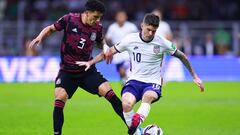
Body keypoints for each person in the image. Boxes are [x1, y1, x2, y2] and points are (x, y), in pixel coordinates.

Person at [76, 13, 205, 135]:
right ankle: (138, 131)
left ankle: (139, 118)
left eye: (154, 31)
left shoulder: (162, 42)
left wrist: (195, 76)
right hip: (134, 81)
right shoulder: (130, 39)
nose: (150, 33)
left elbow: (182, 56)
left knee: (148, 96)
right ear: (142, 26)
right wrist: (91, 62)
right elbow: (109, 52)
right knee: (126, 103)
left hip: (153, 82)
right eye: (148, 29)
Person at [29, 0, 126, 135]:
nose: (97, 20)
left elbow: (100, 39)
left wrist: (104, 46)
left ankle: (133, 128)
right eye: (95, 17)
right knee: (60, 97)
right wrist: (40, 36)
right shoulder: (70, 19)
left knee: (109, 92)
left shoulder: (97, 27)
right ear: (87, 13)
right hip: (67, 71)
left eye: (100, 17)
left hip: (87, 70)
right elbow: (51, 28)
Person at [105, 9, 138, 85]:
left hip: (128, 53)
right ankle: (126, 85)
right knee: (121, 73)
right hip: (117, 54)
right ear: (116, 17)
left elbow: (137, 37)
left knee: (123, 70)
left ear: (126, 17)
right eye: (119, 16)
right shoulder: (112, 27)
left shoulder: (131, 27)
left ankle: (130, 85)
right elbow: (107, 39)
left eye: (122, 16)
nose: (121, 18)